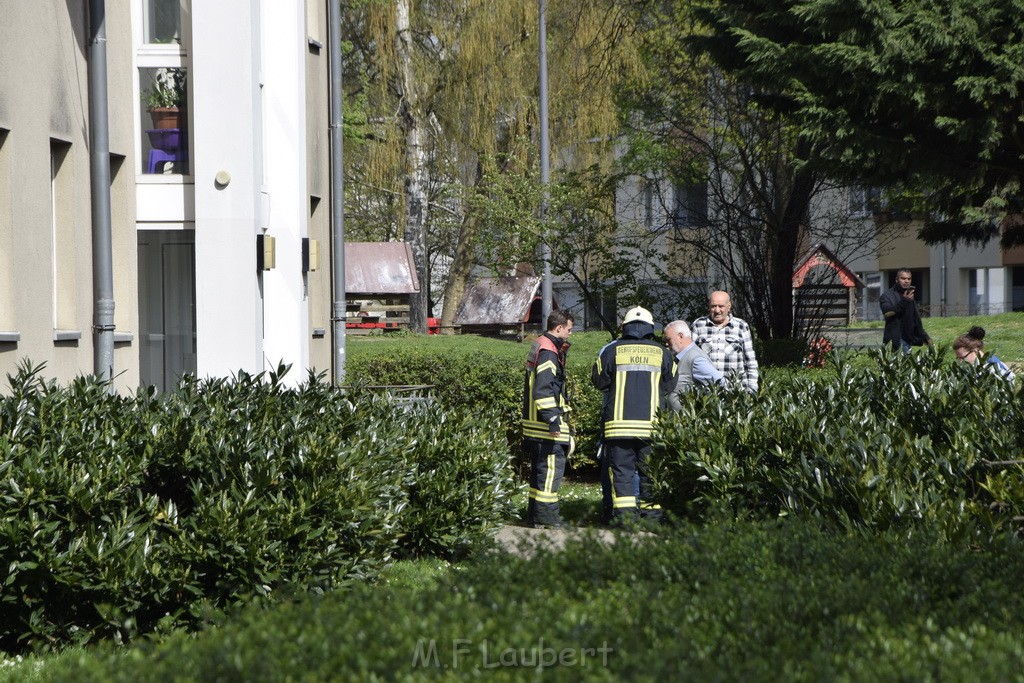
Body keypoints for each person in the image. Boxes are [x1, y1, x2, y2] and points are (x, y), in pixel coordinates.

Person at [591, 306, 676, 524]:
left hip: (618, 427)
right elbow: (669, 385)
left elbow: (599, 381)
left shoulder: (611, 351)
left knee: (622, 474)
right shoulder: (663, 352)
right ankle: (652, 519)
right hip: (652, 427)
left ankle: (625, 520)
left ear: (624, 327)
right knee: (651, 473)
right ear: (650, 327)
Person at [522, 310, 574, 529]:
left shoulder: (541, 344)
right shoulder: (549, 351)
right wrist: (553, 419)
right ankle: (548, 518)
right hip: (546, 425)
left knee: (539, 473)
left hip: (534, 423)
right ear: (559, 328)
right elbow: (544, 389)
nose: (570, 334)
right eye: (569, 330)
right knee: (551, 471)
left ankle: (535, 516)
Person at [691, 291, 759, 392]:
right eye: (713, 306)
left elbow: (750, 360)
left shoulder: (741, 326)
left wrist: (752, 388)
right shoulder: (698, 325)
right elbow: (690, 359)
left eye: (721, 306)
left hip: (735, 391)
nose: (717, 310)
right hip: (707, 391)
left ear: (729, 306)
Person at [664, 320, 726, 410]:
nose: (666, 344)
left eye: (668, 339)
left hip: (688, 421)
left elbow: (718, 383)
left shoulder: (695, 358)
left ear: (680, 336)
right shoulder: (685, 357)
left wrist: (702, 407)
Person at [879, 269, 931, 352]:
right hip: (895, 341)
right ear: (897, 280)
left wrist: (925, 337)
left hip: (908, 340)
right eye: (903, 278)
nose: (906, 281)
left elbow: (915, 319)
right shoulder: (887, 295)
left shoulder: (909, 296)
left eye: (909, 279)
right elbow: (887, 313)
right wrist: (904, 301)